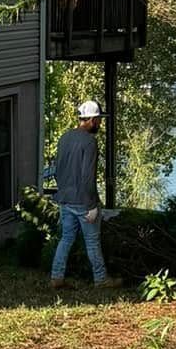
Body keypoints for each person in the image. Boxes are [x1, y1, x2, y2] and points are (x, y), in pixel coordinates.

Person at [49, 98, 108, 288]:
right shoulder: (90, 142)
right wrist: (91, 206)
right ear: (91, 120)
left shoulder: (65, 137)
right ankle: (101, 279)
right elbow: (87, 177)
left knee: (66, 239)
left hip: (65, 199)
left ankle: (56, 277)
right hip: (83, 202)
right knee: (92, 242)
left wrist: (64, 192)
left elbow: (57, 169)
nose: (99, 123)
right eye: (98, 120)